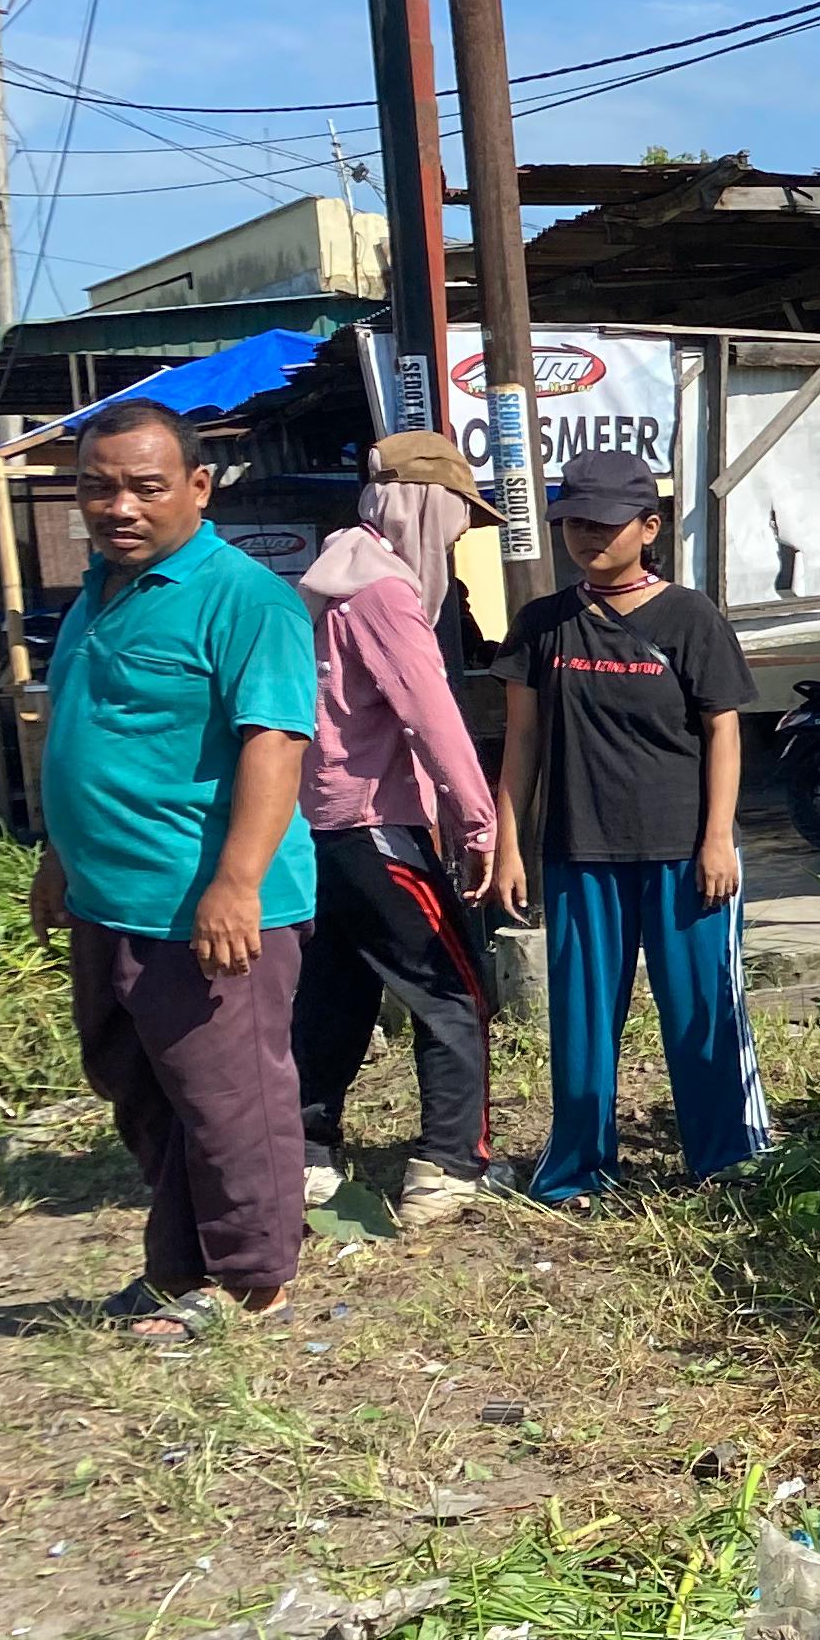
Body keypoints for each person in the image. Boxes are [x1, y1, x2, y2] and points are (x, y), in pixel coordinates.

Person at [27, 399, 319, 1339]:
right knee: (143, 1090)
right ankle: (180, 1268)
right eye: (97, 487)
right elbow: (89, 735)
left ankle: (252, 1284)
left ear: (198, 487)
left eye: (145, 487)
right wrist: (59, 856)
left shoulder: (246, 599)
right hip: (111, 897)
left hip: (209, 906)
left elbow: (275, 743)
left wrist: (236, 884)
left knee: (231, 1100)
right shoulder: (100, 592)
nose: (119, 506)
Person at [492, 447, 767, 1202]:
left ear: (649, 527)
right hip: (578, 850)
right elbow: (522, 741)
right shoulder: (542, 624)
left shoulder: (691, 617)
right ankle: (577, 1170)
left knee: (703, 1012)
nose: (588, 536)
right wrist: (509, 843)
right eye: (575, 522)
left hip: (685, 852)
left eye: (606, 523)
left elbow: (724, 731)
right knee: (581, 1022)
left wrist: (718, 839)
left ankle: (729, 1160)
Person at [292, 431, 502, 1222]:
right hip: (378, 825)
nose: (453, 539)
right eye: (454, 520)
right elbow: (430, 713)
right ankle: (447, 1166)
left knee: (335, 994)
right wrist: (478, 823)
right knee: (456, 992)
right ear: (424, 508)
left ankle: (305, 1155)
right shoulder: (386, 593)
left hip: (318, 828)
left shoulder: (329, 577)